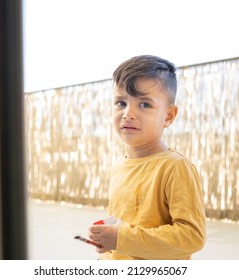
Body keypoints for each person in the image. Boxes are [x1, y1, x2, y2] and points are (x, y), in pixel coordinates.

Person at [88, 55, 206, 260]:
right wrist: (107, 237)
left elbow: (193, 236)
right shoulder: (120, 166)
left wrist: (121, 238)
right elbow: (128, 221)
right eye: (121, 102)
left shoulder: (175, 167)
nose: (128, 113)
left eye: (144, 105)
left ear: (168, 116)